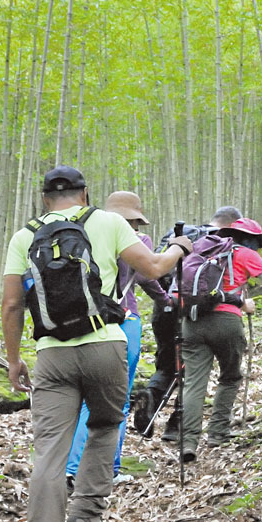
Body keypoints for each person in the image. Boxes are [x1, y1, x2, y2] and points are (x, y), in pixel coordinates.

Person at [1, 165, 192, 522]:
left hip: (51, 353)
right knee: (106, 423)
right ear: (85, 194)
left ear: (44, 198)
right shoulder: (108, 222)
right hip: (106, 345)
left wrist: (14, 360)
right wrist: (179, 246)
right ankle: (87, 516)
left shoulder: (23, 236)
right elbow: (156, 268)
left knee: (50, 453)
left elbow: (12, 305)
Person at [65, 190, 171, 487]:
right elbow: (149, 278)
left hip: (82, 323)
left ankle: (71, 468)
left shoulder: (85, 235)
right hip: (124, 322)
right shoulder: (139, 242)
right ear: (136, 219)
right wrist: (167, 300)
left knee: (84, 399)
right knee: (118, 400)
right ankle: (108, 468)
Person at [180, 217, 262, 461]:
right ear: (250, 240)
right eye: (257, 243)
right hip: (226, 321)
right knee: (230, 377)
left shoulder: (201, 250)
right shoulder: (245, 254)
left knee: (195, 382)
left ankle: (189, 442)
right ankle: (217, 433)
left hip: (192, 321)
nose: (257, 248)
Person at [133, 205, 243, 437]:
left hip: (164, 305)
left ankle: (151, 396)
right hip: (193, 312)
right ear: (232, 224)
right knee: (192, 370)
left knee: (165, 364)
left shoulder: (182, 236)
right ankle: (175, 427)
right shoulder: (220, 242)